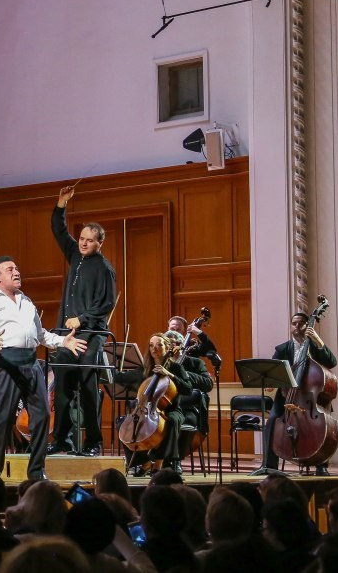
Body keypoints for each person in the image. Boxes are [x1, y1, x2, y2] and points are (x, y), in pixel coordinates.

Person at [0, 256, 87, 480]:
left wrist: (63, 341)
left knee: (42, 415)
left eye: (17, 268)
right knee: (3, 418)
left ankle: (36, 471)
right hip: (6, 361)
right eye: (10, 269)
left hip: (30, 362)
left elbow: (40, 335)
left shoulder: (27, 301)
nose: (16, 272)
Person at [49, 185, 115, 456]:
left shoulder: (104, 268)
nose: (83, 242)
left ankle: (93, 443)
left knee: (89, 390)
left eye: (90, 240)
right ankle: (62, 440)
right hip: (68, 336)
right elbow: (58, 230)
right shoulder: (75, 255)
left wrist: (82, 318)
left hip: (91, 335)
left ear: (100, 242)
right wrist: (61, 205)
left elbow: (106, 305)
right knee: (62, 389)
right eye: (82, 238)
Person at [260, 310, 337, 475]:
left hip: (311, 398)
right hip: (287, 397)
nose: (297, 327)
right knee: (272, 420)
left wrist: (318, 339)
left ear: (307, 325)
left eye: (301, 323)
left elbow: (332, 362)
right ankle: (269, 465)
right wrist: (271, 383)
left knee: (325, 424)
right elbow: (273, 371)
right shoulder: (282, 349)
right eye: (294, 323)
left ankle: (321, 465)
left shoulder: (315, 349)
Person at [122, 332, 194, 476]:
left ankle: (160, 462)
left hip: (172, 409)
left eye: (159, 345)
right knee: (124, 425)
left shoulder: (176, 368)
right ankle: (143, 461)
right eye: (151, 345)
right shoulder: (145, 369)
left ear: (168, 348)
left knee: (172, 421)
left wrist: (169, 374)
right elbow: (125, 380)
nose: (154, 348)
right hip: (147, 410)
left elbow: (188, 388)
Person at [161, 328, 213, 461]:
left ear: (180, 345)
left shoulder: (195, 363)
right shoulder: (161, 364)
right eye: (167, 343)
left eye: (173, 343)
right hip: (163, 407)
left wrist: (184, 374)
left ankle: (175, 460)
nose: (170, 346)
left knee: (185, 421)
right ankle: (147, 461)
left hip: (187, 408)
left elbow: (208, 384)